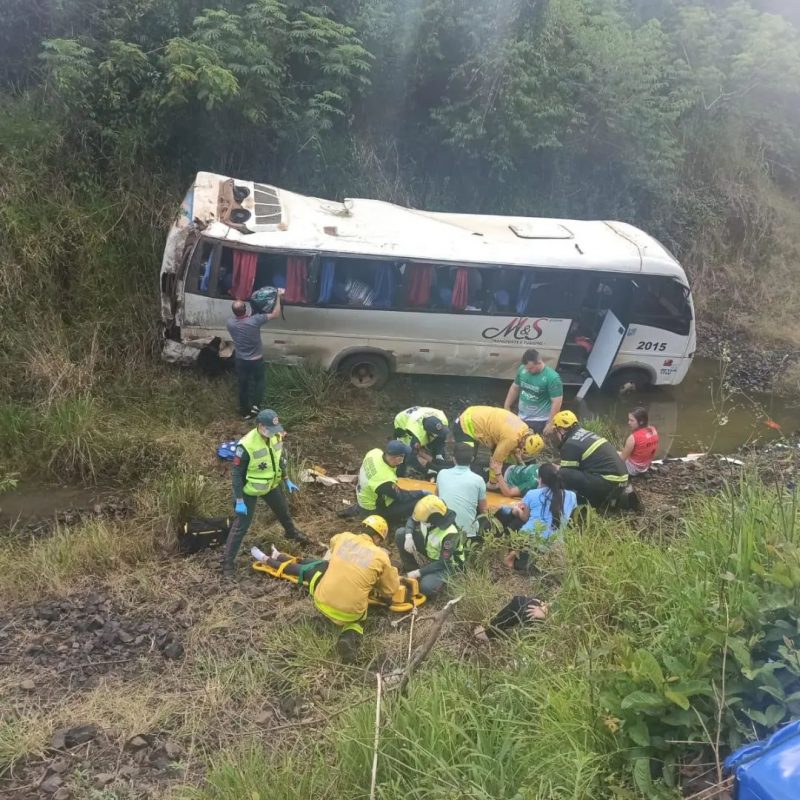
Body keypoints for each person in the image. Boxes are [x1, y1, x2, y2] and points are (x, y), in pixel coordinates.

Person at [223, 409, 308, 577]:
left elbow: (278, 459)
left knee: (283, 510)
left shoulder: (276, 435)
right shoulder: (246, 445)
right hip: (248, 490)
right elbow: (237, 475)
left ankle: (292, 533)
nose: (274, 433)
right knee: (241, 526)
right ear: (261, 426)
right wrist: (239, 499)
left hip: (270, 485)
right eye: (270, 429)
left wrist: (286, 479)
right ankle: (227, 563)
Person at [311, 516, 399, 661]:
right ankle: (349, 636)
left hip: (320, 601)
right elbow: (390, 590)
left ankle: (325, 621)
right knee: (362, 611)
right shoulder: (380, 556)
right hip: (348, 613)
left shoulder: (344, 537)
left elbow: (333, 543)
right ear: (377, 537)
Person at [502, 463, 578, 569]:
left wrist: (518, 511)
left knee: (515, 520)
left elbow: (525, 518)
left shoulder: (532, 493)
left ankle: (512, 555)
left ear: (540, 479)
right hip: (555, 545)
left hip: (528, 542)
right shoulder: (572, 496)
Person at [551, 410, 630, 508]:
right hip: (623, 478)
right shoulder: (586, 433)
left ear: (561, 429)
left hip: (609, 483)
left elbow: (567, 473)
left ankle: (579, 500)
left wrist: (555, 469)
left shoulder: (570, 444)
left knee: (563, 473)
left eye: (556, 431)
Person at [226, 290, 283, 420]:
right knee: (259, 382)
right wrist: (278, 296)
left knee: (243, 385)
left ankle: (244, 411)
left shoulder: (230, 323)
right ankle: (256, 406)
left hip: (241, 360)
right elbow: (276, 314)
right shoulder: (256, 320)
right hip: (256, 360)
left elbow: (243, 318)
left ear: (234, 312)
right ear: (245, 309)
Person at [395, 496, 465, 597]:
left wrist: (419, 572)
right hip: (430, 549)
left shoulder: (450, 534)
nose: (421, 522)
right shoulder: (427, 514)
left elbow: (443, 562)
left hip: (447, 564)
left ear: (433, 520)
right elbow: (412, 519)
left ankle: (440, 582)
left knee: (426, 587)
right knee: (401, 534)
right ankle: (410, 568)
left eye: (423, 521)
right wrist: (408, 536)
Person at [453, 405, 544, 482]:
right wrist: (492, 482)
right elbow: (496, 461)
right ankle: (456, 480)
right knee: (465, 460)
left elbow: (508, 453)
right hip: (465, 424)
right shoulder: (511, 439)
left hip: (475, 413)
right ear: (523, 443)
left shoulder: (524, 428)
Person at [352, 441, 430, 526]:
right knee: (419, 500)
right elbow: (402, 496)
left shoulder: (374, 452)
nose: (403, 459)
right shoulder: (384, 479)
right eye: (403, 457)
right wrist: (422, 492)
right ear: (397, 458)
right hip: (372, 511)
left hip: (363, 496)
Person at [503, 348, 563, 434]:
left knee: (532, 445)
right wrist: (507, 406)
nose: (528, 370)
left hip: (539, 420)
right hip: (521, 416)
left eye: (530, 368)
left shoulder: (552, 378)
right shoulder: (522, 369)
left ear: (539, 362)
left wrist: (550, 423)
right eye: (526, 368)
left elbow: (557, 402)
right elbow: (515, 388)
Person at [435, 442, 488, 539]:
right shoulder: (478, 480)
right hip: (467, 536)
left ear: (453, 459)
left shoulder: (441, 474)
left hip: (443, 532)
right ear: (472, 459)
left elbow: (437, 498)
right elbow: (484, 510)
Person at [393, 406, 450, 476]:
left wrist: (439, 454)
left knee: (436, 441)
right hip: (402, 421)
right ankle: (399, 474)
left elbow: (442, 435)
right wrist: (425, 471)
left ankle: (434, 460)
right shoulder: (417, 434)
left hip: (419, 413)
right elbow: (411, 457)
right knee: (404, 452)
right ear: (428, 432)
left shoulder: (442, 418)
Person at [473, 597, 549, 641]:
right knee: (520, 600)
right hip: (551, 610)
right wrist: (546, 605)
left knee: (519, 604)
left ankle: (488, 634)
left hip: (551, 620)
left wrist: (545, 611)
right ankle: (497, 628)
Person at [618, 407, 660, 475]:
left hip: (633, 469)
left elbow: (621, 460)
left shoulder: (633, 437)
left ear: (641, 422)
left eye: (632, 420)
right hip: (645, 467)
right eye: (629, 420)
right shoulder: (653, 430)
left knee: (612, 454)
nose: (628, 422)